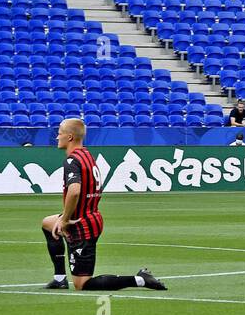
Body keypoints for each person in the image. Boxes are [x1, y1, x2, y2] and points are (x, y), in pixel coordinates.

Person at [40, 118, 166, 291]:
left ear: (69, 137)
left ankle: (140, 279)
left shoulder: (71, 161)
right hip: (90, 216)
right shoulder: (86, 155)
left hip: (81, 224)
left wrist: (65, 219)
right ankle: (60, 278)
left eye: (59, 133)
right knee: (48, 223)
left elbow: (75, 191)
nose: (57, 137)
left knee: (82, 284)